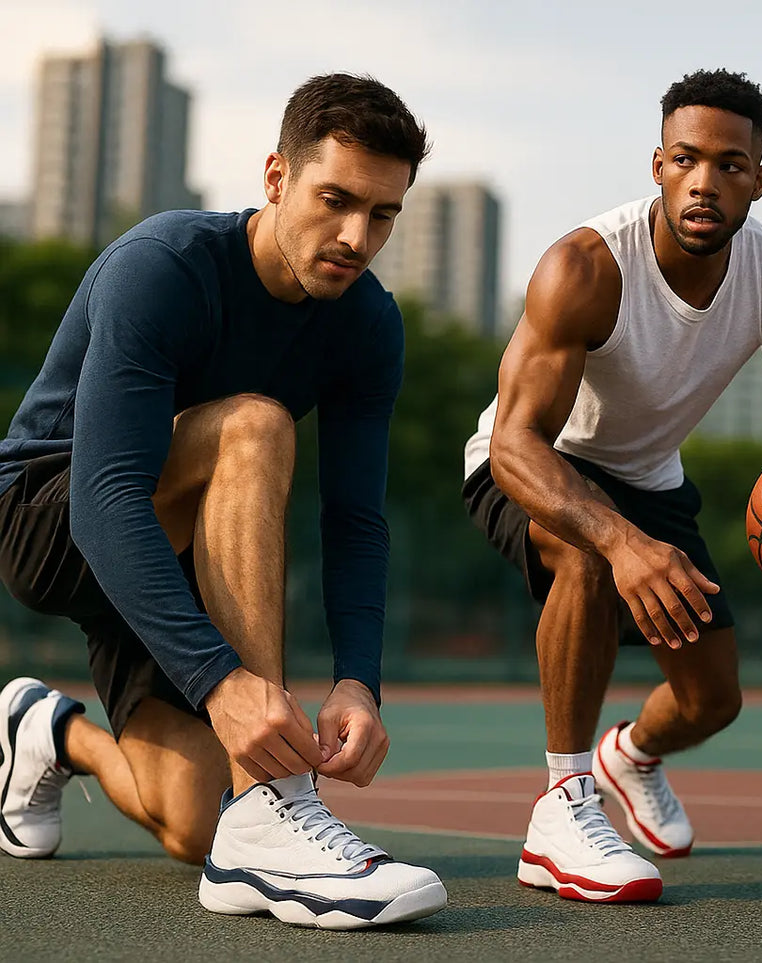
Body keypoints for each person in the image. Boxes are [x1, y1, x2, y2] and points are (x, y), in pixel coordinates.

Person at [0, 73, 447, 929]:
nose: (357, 237)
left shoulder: (366, 324)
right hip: (48, 517)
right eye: (336, 199)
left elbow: (354, 520)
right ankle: (277, 802)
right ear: (276, 177)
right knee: (257, 424)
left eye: (383, 214)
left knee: (193, 822)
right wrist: (220, 680)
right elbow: (103, 498)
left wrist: (360, 679)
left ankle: (47, 732)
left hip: (168, 548)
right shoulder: (163, 267)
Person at [463, 68, 762, 903]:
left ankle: (628, 756)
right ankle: (561, 809)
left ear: (759, 179)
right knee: (587, 558)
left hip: (648, 478)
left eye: (730, 164)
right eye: (686, 159)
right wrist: (620, 539)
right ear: (659, 165)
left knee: (712, 698)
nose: (705, 180)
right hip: (534, 461)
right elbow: (517, 443)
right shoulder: (585, 267)